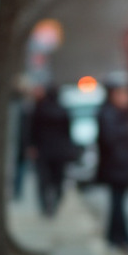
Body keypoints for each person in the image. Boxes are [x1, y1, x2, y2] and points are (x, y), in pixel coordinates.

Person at [95, 83, 128, 247]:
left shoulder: (121, 114)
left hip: (120, 166)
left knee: (119, 203)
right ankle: (119, 237)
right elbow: (110, 140)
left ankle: (117, 236)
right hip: (116, 166)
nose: (126, 98)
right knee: (118, 203)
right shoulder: (110, 114)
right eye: (122, 94)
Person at [27, 84, 77, 217]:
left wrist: (32, 146)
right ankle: (54, 204)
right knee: (58, 180)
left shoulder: (39, 109)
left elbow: (32, 130)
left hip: (43, 150)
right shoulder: (63, 110)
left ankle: (45, 206)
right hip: (59, 151)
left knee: (43, 181)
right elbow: (68, 132)